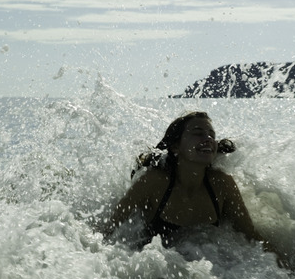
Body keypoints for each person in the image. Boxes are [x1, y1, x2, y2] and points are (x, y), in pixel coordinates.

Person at [108, 111, 280, 258]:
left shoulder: (221, 184)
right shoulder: (154, 181)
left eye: (211, 135)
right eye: (198, 133)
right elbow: (110, 228)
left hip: (209, 268)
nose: (208, 139)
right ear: (176, 146)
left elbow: (250, 237)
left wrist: (291, 271)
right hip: (154, 264)